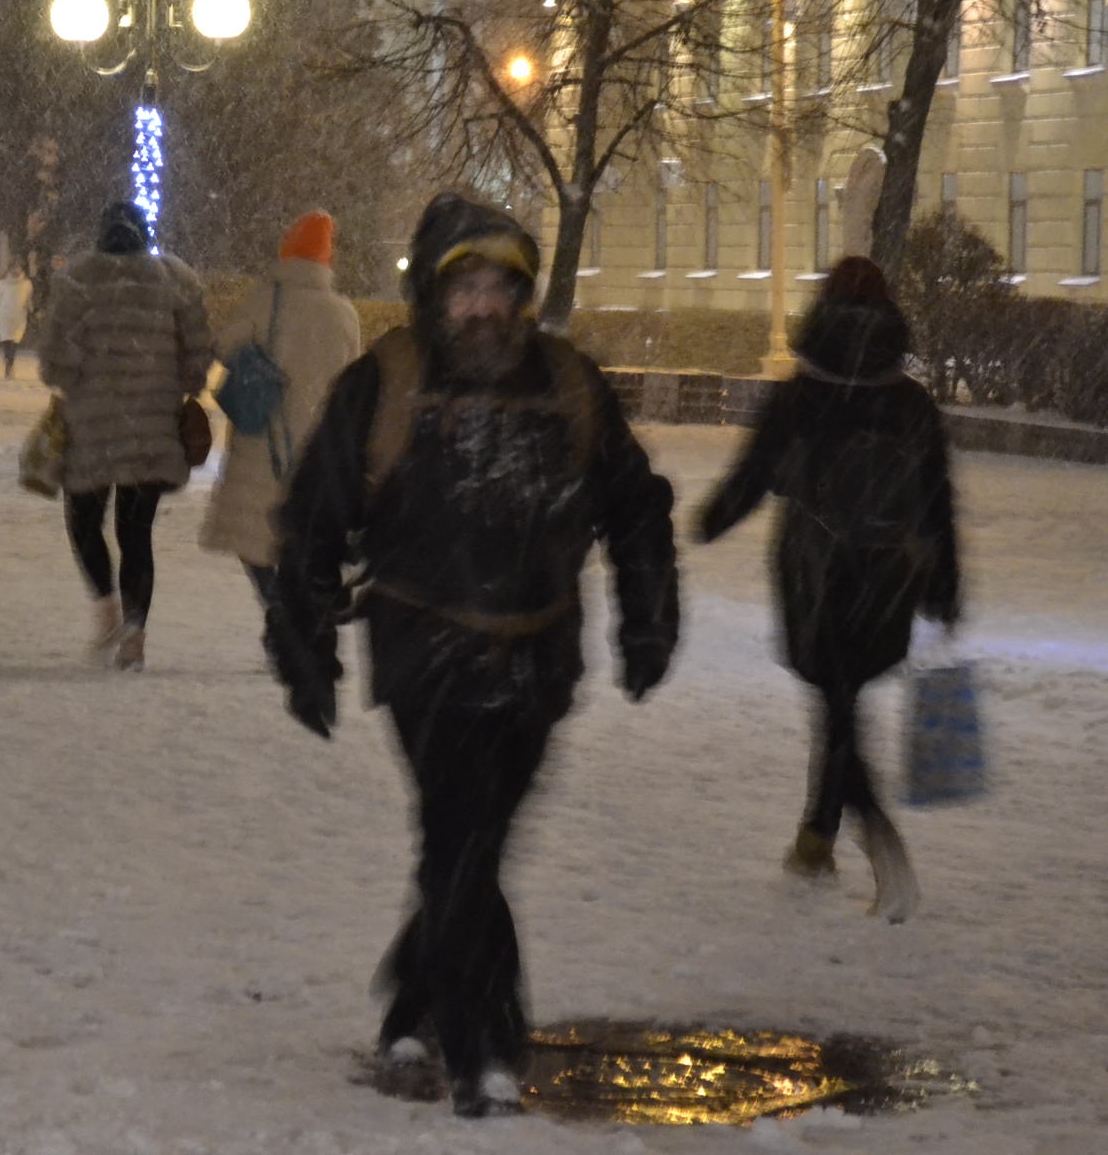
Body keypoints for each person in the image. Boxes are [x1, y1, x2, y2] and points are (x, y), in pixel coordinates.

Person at [267, 193, 678, 1118]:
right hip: (427, 649)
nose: (485, 309)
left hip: (539, 657)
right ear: (435, 297)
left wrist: (650, 615)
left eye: (502, 289)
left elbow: (634, 504)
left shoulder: (568, 382)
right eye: (467, 291)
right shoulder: (388, 380)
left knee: (475, 846)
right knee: (458, 837)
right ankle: (487, 1041)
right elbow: (314, 516)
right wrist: (302, 641)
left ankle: (411, 1006)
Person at [697, 257, 959, 923]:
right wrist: (944, 586)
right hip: (891, 576)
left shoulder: (802, 394)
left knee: (836, 705)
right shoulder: (911, 401)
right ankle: (815, 837)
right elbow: (937, 500)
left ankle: (876, 834)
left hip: (819, 571)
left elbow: (755, 472)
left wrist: (713, 518)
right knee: (841, 705)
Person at [39, 202, 211, 673]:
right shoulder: (176, 280)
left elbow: (56, 363)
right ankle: (135, 630)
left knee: (83, 523)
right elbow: (198, 361)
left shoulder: (76, 282)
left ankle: (106, 610)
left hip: (91, 428)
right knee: (136, 534)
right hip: (150, 430)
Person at [200, 211, 363, 621]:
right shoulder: (343, 313)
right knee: (301, 534)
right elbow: (354, 378)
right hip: (318, 443)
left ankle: (276, 606)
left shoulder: (264, 300)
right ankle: (296, 612)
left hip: (264, 434)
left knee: (254, 538)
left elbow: (222, 346)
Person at [0, 262, 34, 379]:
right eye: (14, 268)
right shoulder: (2, 284)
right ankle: (8, 363)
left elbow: (28, 300)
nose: (16, 270)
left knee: (15, 342)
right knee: (6, 341)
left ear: (22, 269)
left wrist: (33, 310)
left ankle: (10, 362)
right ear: (9, 269)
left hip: (19, 317)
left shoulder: (27, 284)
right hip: (4, 317)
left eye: (19, 267)